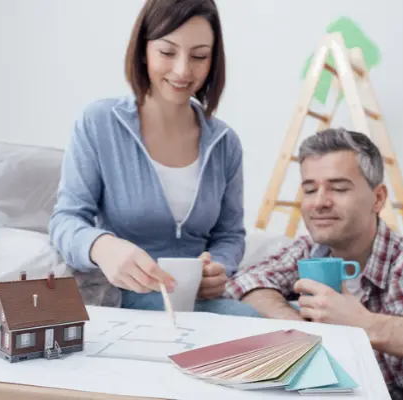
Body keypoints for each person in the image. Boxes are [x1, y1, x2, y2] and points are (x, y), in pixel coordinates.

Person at [224, 127, 403, 399]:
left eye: (339, 188)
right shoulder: (310, 250)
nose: (319, 202)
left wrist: (367, 325)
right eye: (310, 190)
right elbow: (247, 280)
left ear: (378, 198)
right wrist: (297, 325)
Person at [49, 0, 259, 318]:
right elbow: (65, 221)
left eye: (199, 56)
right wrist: (102, 246)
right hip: (121, 299)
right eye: (167, 52)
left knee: (270, 322)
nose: (182, 70)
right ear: (143, 50)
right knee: (251, 321)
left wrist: (218, 267)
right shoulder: (98, 123)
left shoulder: (225, 144)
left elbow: (229, 235)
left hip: (195, 303)